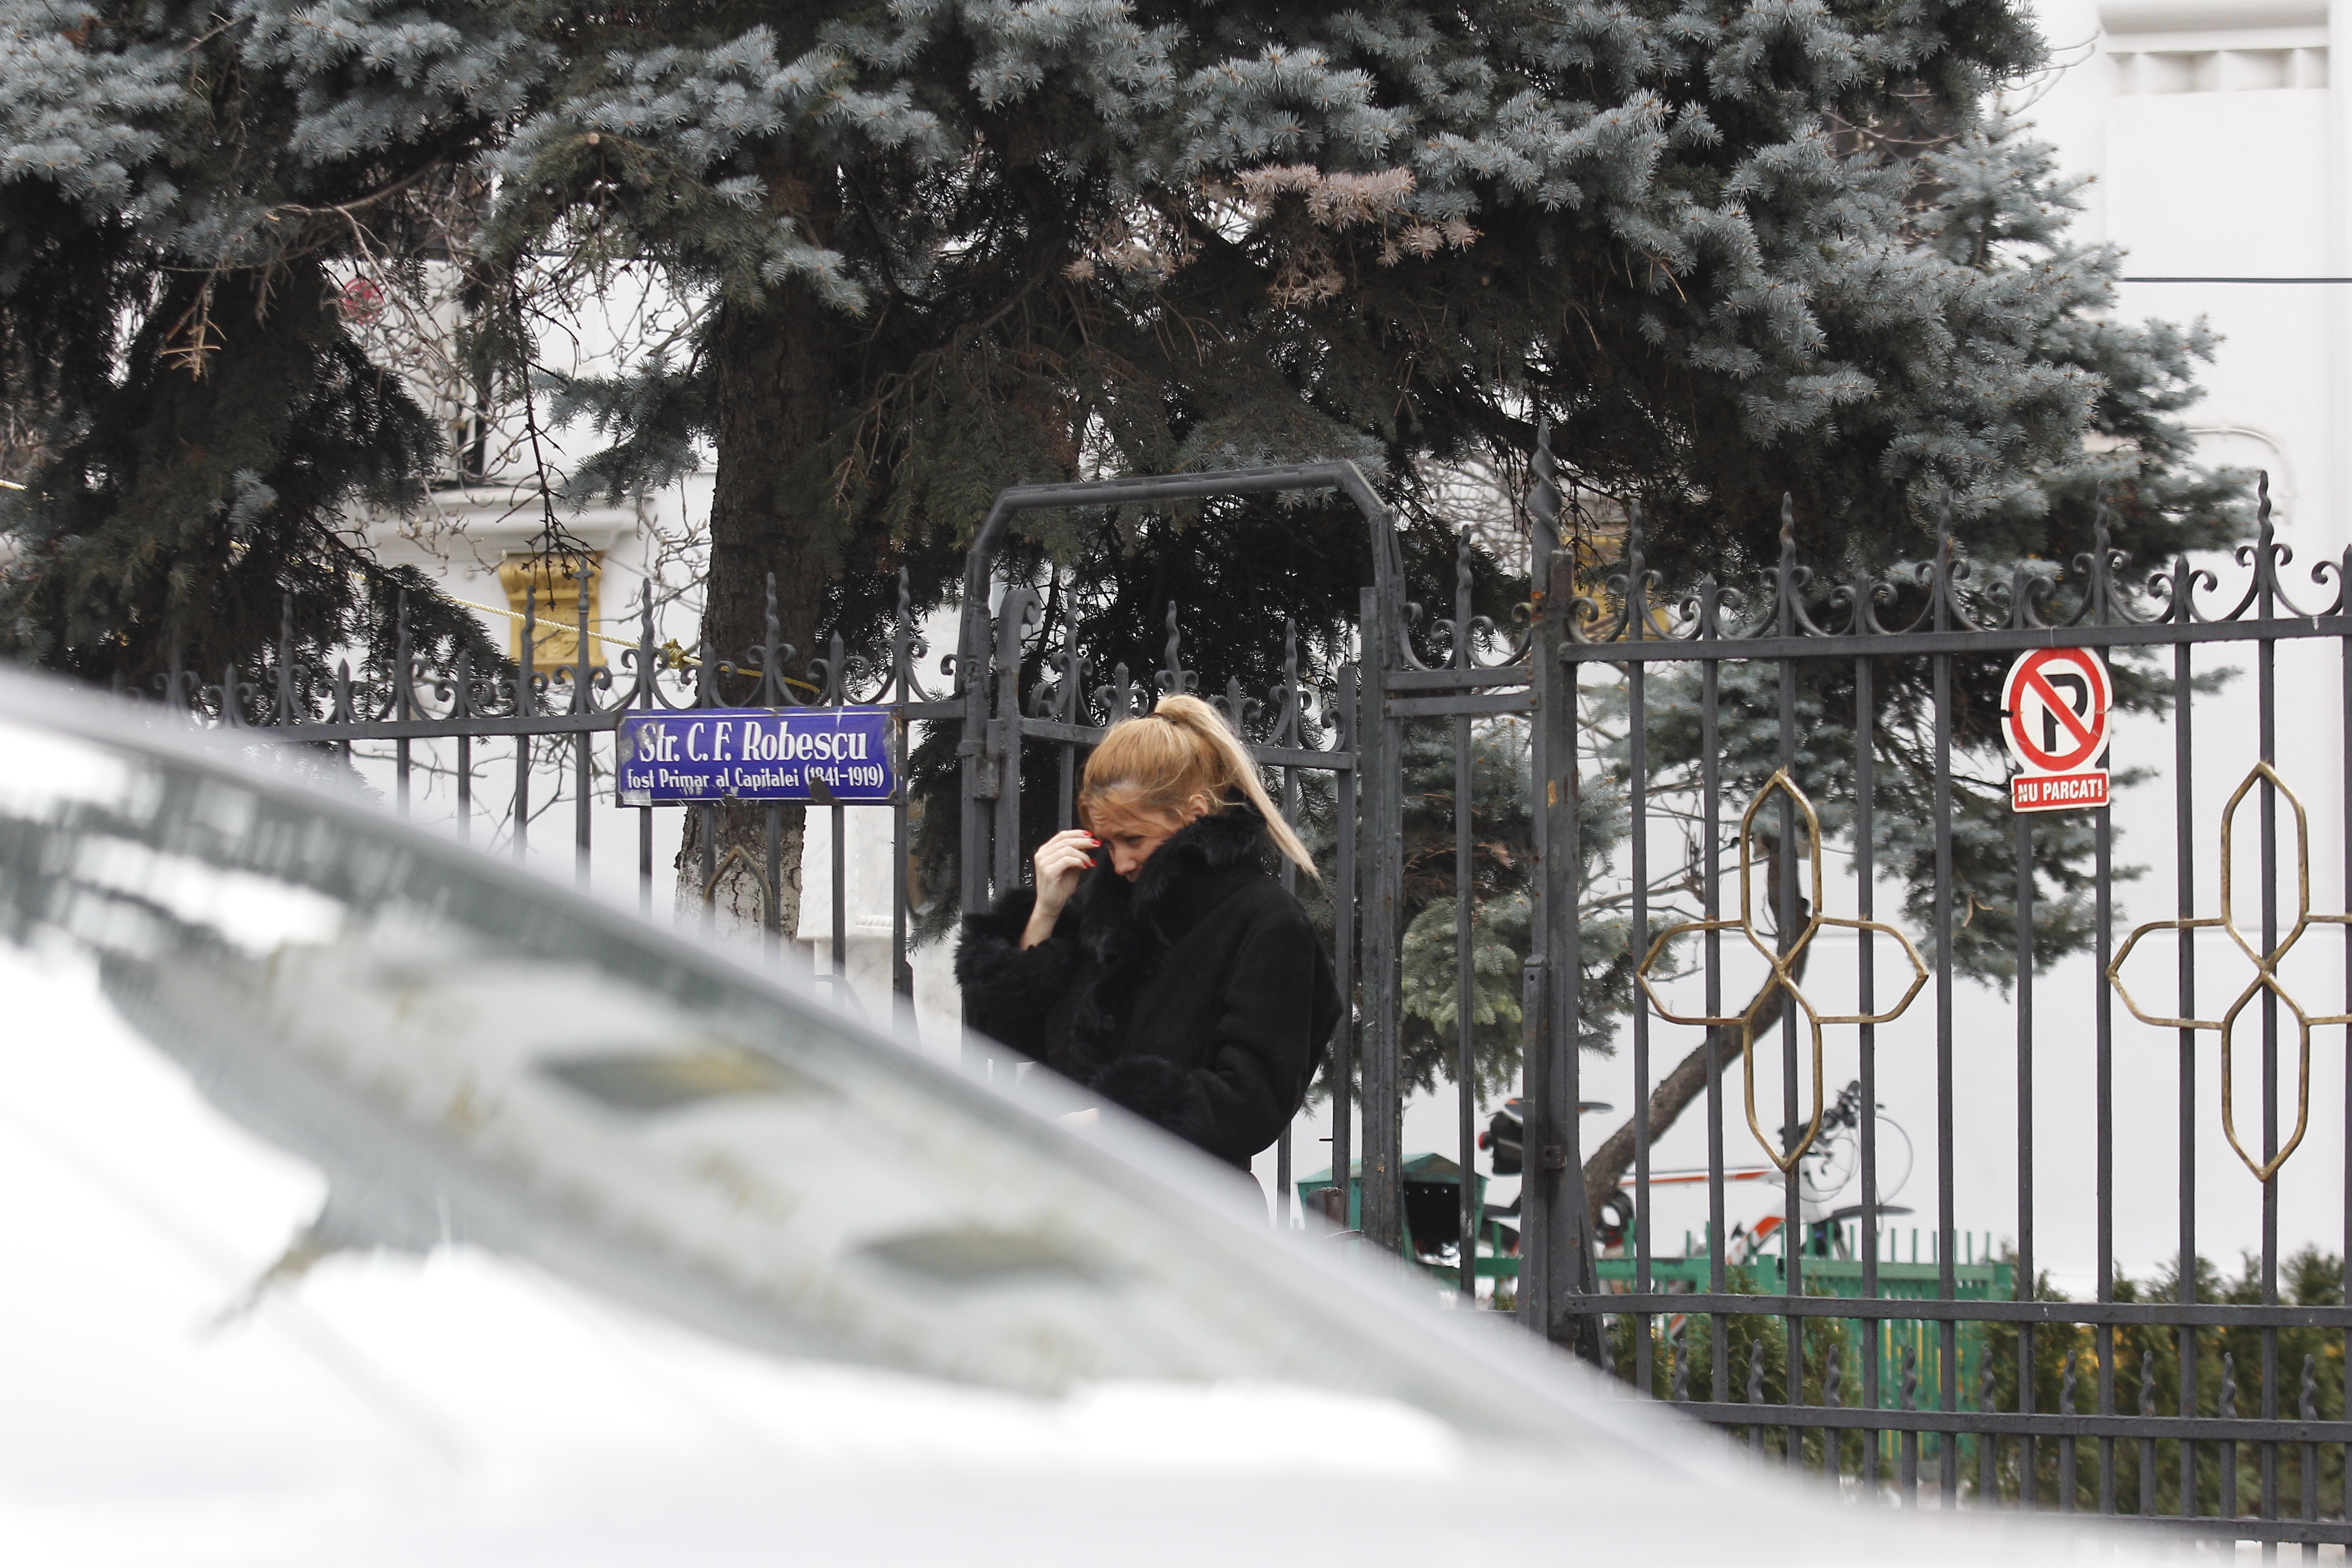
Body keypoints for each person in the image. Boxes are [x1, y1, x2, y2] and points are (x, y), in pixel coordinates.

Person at [954, 694, 1343, 1170]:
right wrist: (1045, 912)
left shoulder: (1267, 922)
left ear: (1195, 813)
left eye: (1134, 839)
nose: (1119, 863)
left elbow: (1251, 1101)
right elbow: (1001, 1040)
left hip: (1183, 1220)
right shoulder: (1101, 908)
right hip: (1067, 1206)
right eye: (1108, 842)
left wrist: (1111, 1123)